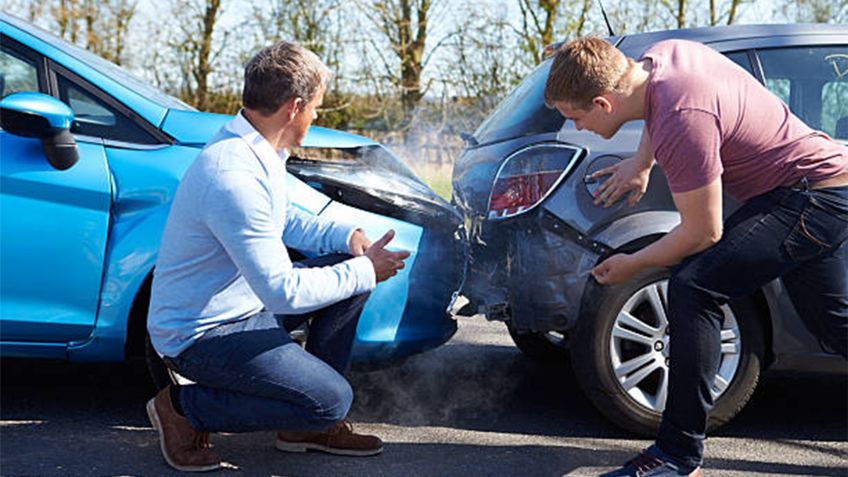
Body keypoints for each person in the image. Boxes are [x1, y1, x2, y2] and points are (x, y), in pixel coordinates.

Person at [544, 37, 848, 477]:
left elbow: (704, 232)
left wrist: (634, 264)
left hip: (810, 198)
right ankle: (677, 455)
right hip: (824, 185)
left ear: (603, 103)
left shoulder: (682, 118)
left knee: (694, 286)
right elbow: (657, 106)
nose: (577, 128)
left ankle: (676, 455)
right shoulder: (663, 58)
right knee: (834, 322)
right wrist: (642, 162)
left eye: (576, 117)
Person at [145, 41, 410, 472]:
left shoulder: (255, 148)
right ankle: (182, 408)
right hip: (201, 335)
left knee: (347, 279)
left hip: (244, 308)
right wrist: (364, 270)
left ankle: (302, 424)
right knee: (332, 399)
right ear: (295, 107)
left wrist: (349, 238)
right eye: (317, 109)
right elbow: (283, 291)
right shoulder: (232, 175)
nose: (316, 117)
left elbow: (285, 221)